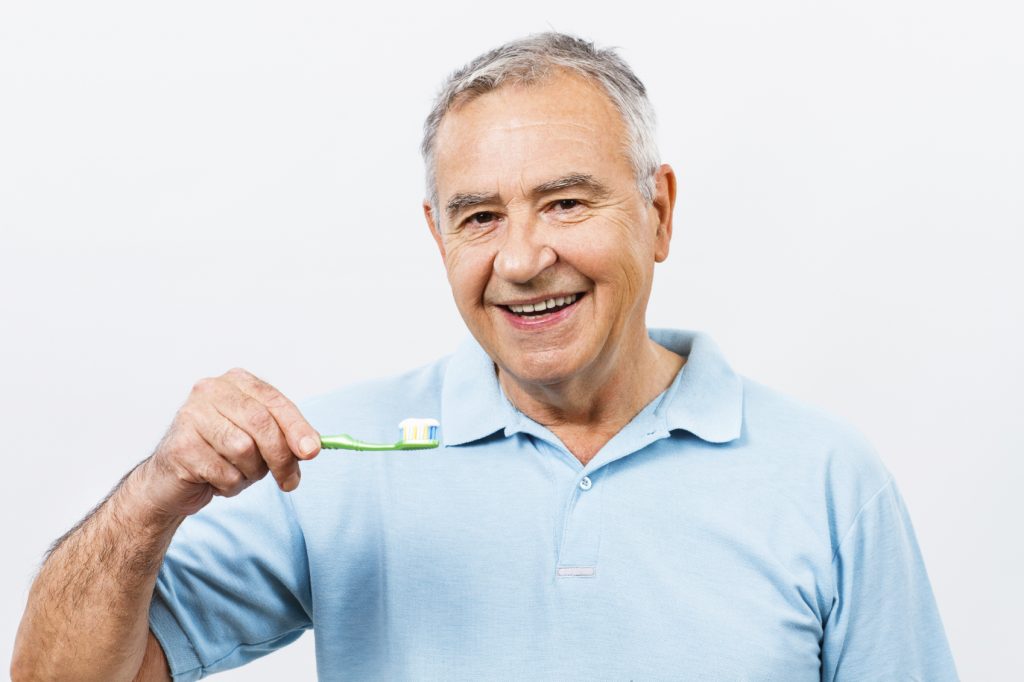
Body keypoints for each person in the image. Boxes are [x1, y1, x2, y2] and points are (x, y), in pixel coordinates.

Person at [12, 31, 959, 681]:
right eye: (479, 217)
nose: (521, 258)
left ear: (659, 212)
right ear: (437, 236)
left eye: (566, 202)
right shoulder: (336, 458)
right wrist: (151, 498)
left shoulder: (829, 480)